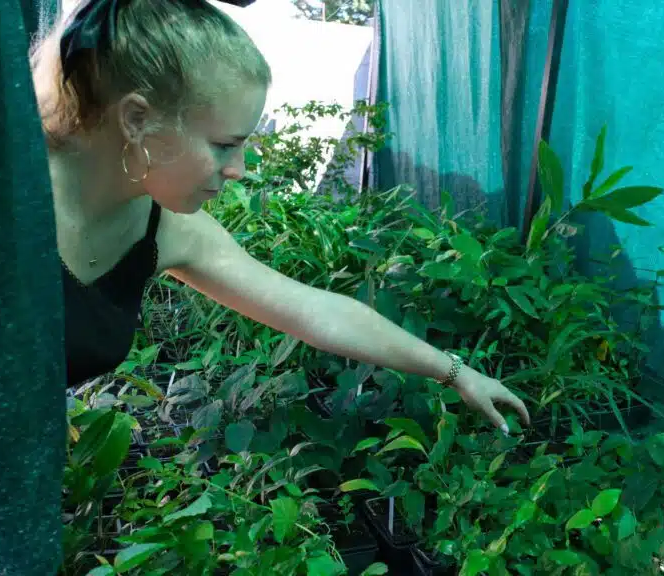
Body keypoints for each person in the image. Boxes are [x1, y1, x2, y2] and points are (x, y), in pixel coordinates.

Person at [30, 0, 530, 433]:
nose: (239, 170)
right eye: (224, 144)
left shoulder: (167, 229)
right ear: (137, 119)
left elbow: (314, 310)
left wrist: (456, 372)